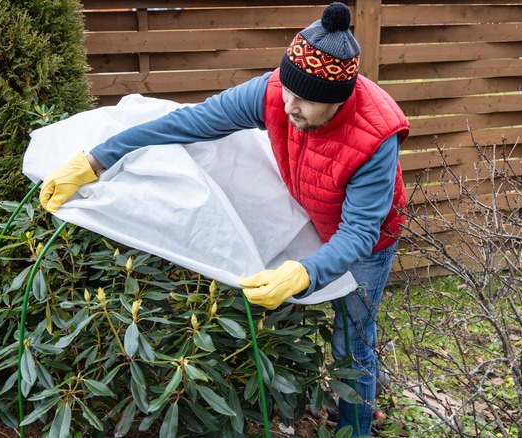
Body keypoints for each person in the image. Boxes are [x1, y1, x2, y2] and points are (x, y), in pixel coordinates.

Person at [39, 2, 409, 436]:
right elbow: (189, 123)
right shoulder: (275, 93)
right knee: (348, 333)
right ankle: (370, 391)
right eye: (287, 91)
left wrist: (304, 272)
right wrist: (98, 159)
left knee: (351, 339)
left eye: (304, 100)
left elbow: (360, 231)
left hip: (367, 243)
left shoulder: (375, 134)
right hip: (317, 212)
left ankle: (358, 426)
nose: (289, 106)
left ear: (339, 99)